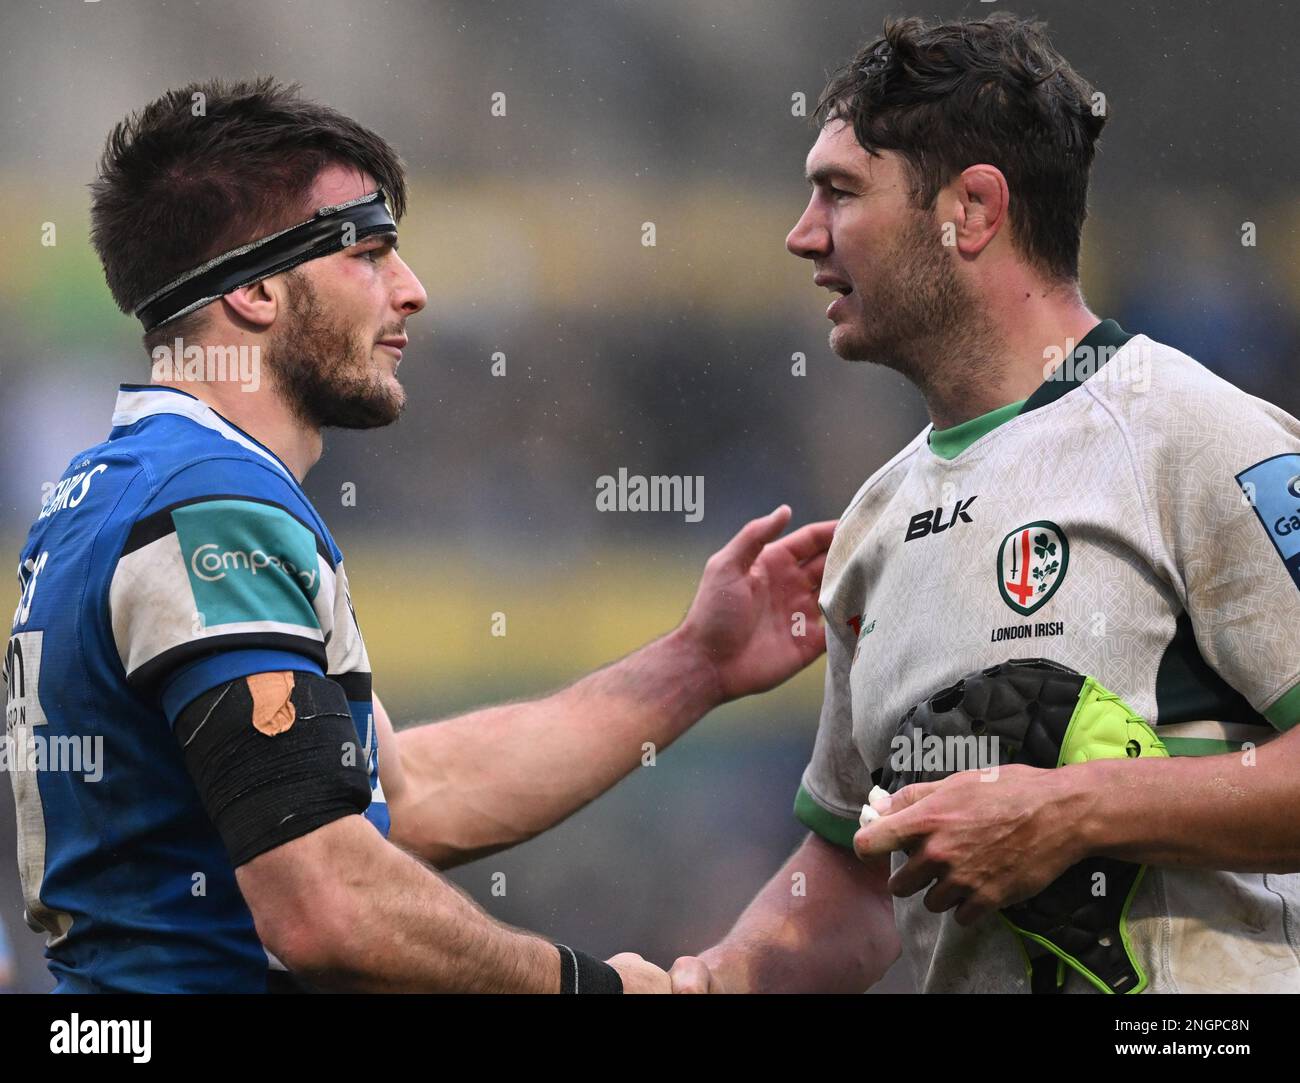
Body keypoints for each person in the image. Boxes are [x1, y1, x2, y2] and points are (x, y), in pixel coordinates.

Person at [5, 77, 834, 993]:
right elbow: (327, 902)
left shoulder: (124, 487)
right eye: (369, 252)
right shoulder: (214, 505)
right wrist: (591, 987)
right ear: (255, 293)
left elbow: (406, 796)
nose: (414, 291)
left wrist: (695, 665)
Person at [670, 13, 1300, 994]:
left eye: (838, 192)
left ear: (970, 208)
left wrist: (1071, 811)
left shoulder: (1196, 438)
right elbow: (855, 877)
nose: (801, 236)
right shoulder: (870, 529)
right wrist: (699, 984)